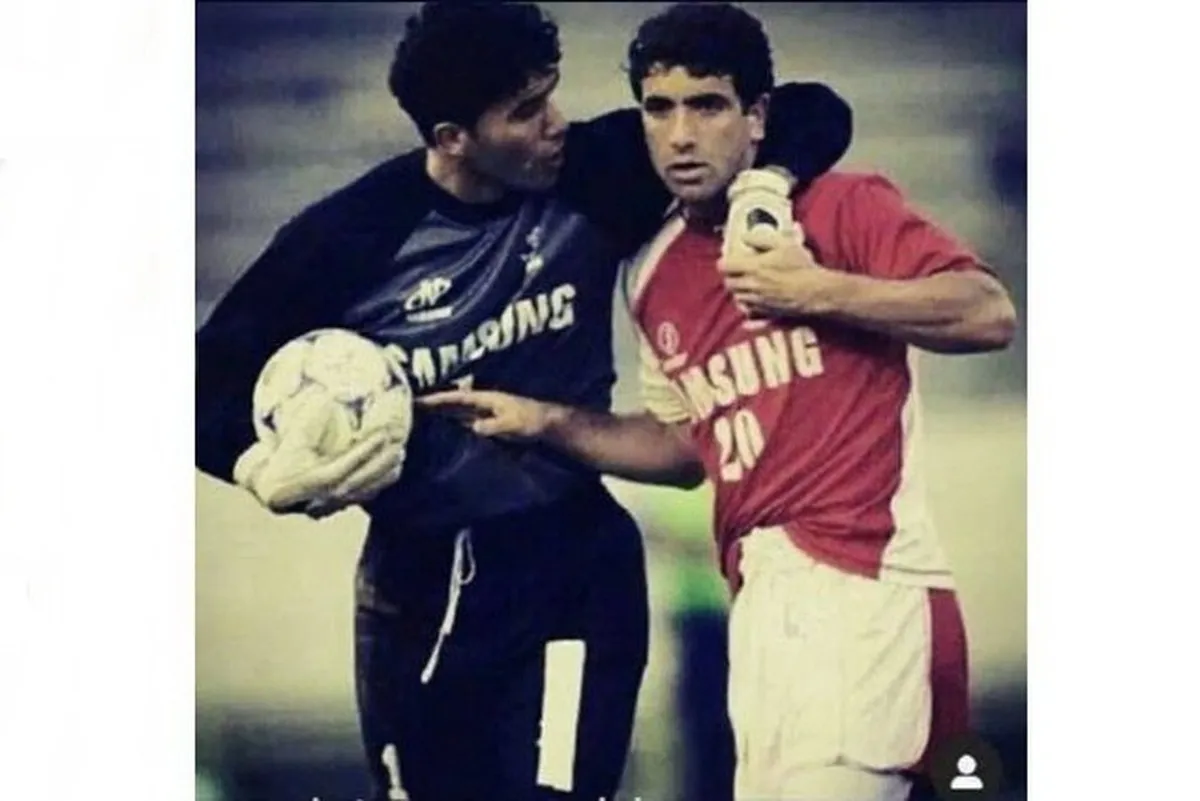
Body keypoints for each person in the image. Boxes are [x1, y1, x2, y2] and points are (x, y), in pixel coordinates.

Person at [194, 3, 852, 800]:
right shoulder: (348, 239)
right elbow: (201, 388)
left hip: (575, 566)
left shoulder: (595, 171)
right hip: (423, 585)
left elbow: (813, 110)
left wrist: (766, 185)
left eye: (551, 93)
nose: (555, 122)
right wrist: (259, 467)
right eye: (525, 110)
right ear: (452, 138)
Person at [419, 3, 1018, 801]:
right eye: (659, 108)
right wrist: (546, 422)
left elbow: (987, 312)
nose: (681, 135)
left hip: (866, 584)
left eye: (707, 106)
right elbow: (684, 448)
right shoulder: (651, 273)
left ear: (757, 116)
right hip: (758, 604)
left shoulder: (840, 205)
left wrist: (813, 289)